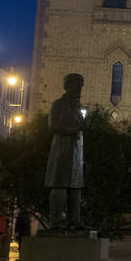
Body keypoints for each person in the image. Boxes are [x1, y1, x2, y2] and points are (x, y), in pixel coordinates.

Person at [45, 73, 87, 228]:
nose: (80, 88)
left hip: (76, 151)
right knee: (59, 184)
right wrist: (73, 129)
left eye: (81, 85)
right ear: (68, 86)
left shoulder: (77, 106)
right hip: (62, 149)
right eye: (78, 85)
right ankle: (56, 221)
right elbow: (53, 125)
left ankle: (74, 220)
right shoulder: (59, 104)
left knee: (75, 186)